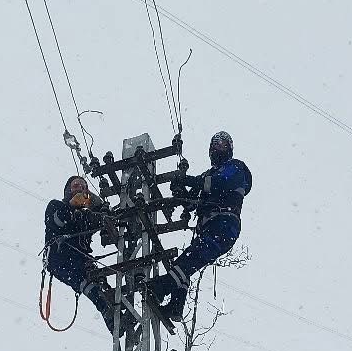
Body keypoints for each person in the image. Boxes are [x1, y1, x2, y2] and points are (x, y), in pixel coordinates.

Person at [151, 131, 252, 321]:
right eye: (214, 144)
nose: (217, 148)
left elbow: (221, 183)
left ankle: (161, 287)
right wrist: (180, 190)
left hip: (224, 225)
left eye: (222, 144)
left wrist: (187, 180)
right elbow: (192, 200)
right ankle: (176, 306)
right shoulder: (208, 175)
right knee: (186, 261)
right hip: (208, 227)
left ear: (229, 148)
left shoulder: (236, 167)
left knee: (192, 258)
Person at [44, 176, 128, 336]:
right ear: (68, 190)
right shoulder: (55, 205)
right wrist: (71, 206)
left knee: (99, 286)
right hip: (60, 257)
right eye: (76, 186)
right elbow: (58, 221)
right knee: (89, 285)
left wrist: (98, 203)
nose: (80, 189)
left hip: (81, 260)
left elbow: (104, 219)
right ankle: (109, 313)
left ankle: (115, 319)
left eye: (83, 187)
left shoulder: (85, 216)